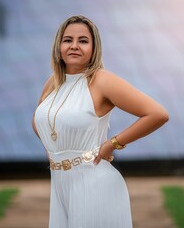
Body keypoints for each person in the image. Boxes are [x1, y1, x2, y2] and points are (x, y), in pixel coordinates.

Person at [32, 15, 169, 228]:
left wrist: (112, 144)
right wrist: (54, 150)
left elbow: (157, 114)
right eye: (68, 40)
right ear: (58, 46)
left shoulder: (102, 80)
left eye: (83, 41)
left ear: (94, 48)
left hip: (94, 185)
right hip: (60, 185)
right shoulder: (53, 83)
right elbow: (39, 120)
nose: (74, 46)